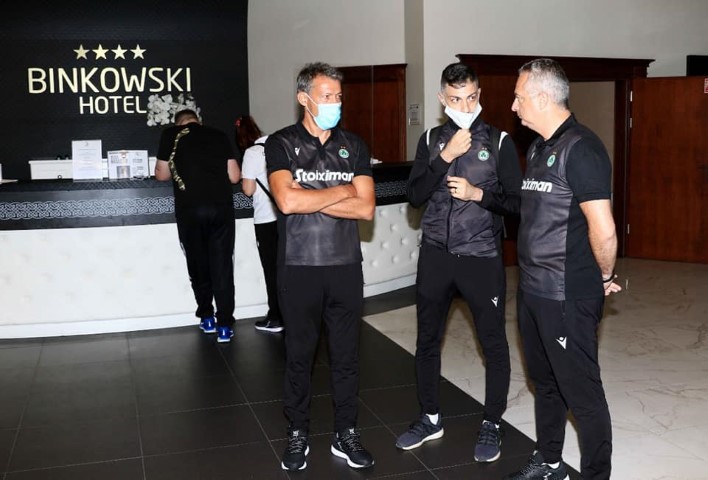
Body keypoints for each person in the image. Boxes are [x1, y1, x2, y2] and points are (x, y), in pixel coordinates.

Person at [397, 62, 521, 463]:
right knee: (427, 341)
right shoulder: (430, 139)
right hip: (435, 255)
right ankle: (430, 417)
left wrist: (477, 194)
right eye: (455, 99)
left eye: (470, 98)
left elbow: (517, 204)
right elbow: (414, 196)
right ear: (442, 99)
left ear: (479, 95)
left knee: (493, 343)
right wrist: (444, 157)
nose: (464, 106)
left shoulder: (499, 141)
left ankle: (492, 422)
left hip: (481, 257)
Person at [505, 58, 622, 480]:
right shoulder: (540, 146)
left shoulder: (582, 149)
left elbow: (604, 230)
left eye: (519, 97)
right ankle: (549, 460)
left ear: (541, 97)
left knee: (582, 393)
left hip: (567, 294)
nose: (514, 106)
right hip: (533, 290)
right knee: (546, 382)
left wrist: (604, 276)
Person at [264, 62, 375, 472]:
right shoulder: (281, 143)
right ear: (304, 98)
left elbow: (365, 208)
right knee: (299, 356)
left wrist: (311, 193)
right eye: (326, 96)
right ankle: (298, 432)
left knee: (347, 357)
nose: (334, 103)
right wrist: (343, 189)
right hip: (299, 266)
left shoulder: (354, 145)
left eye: (338, 96)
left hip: (345, 265)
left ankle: (347, 432)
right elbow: (286, 201)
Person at [155, 109, 241, 343]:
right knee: (222, 266)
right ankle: (225, 326)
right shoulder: (219, 135)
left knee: (198, 264)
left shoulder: (171, 135)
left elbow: (161, 174)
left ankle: (207, 317)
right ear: (199, 121)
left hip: (190, 211)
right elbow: (234, 176)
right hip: (221, 210)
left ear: (178, 123)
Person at [235, 115, 283, 333]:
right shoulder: (281, 145)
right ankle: (295, 313)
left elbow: (248, 189)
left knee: (272, 270)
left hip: (266, 218)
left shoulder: (252, 153)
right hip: (288, 217)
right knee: (290, 267)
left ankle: (276, 317)